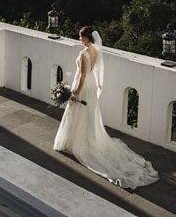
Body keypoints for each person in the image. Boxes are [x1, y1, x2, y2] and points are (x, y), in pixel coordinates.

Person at [53, 26, 159, 189]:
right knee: (89, 115)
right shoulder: (96, 51)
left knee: (78, 113)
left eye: (81, 37)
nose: (79, 39)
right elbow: (92, 72)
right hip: (92, 86)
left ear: (87, 38)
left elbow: (82, 75)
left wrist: (76, 93)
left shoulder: (83, 53)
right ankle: (86, 139)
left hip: (84, 86)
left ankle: (77, 142)